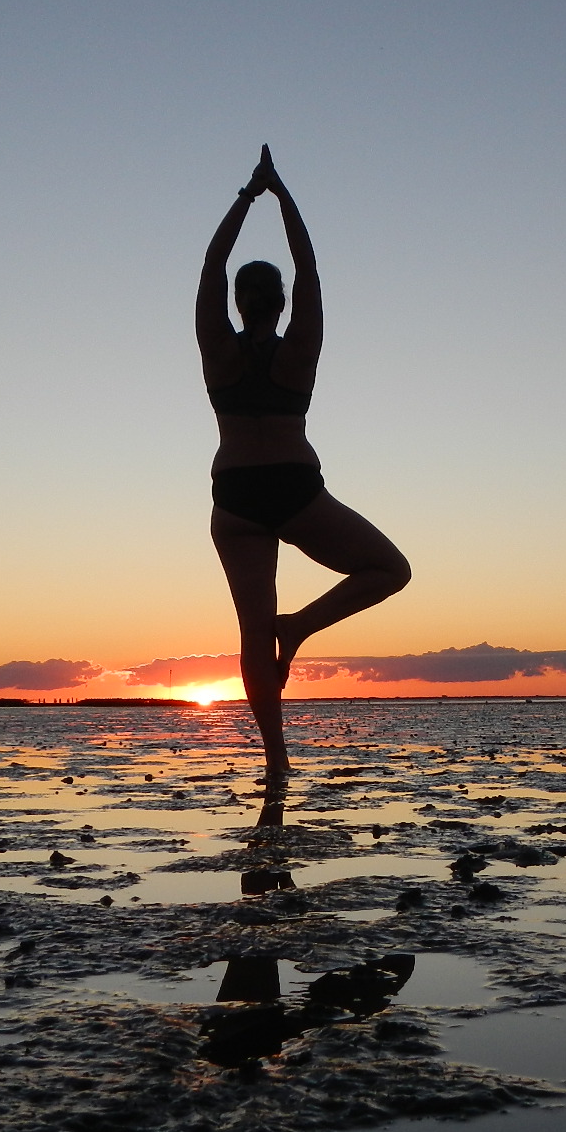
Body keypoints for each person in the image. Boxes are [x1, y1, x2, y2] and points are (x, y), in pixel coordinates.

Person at [197, 146, 410, 784]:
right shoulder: (301, 348)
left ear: (238, 303)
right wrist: (282, 195)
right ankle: (300, 627)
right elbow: (307, 263)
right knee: (390, 570)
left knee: (249, 630)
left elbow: (212, 264)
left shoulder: (216, 346)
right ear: (283, 304)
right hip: (291, 485)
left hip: (234, 493)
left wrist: (245, 196)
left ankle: (276, 761)